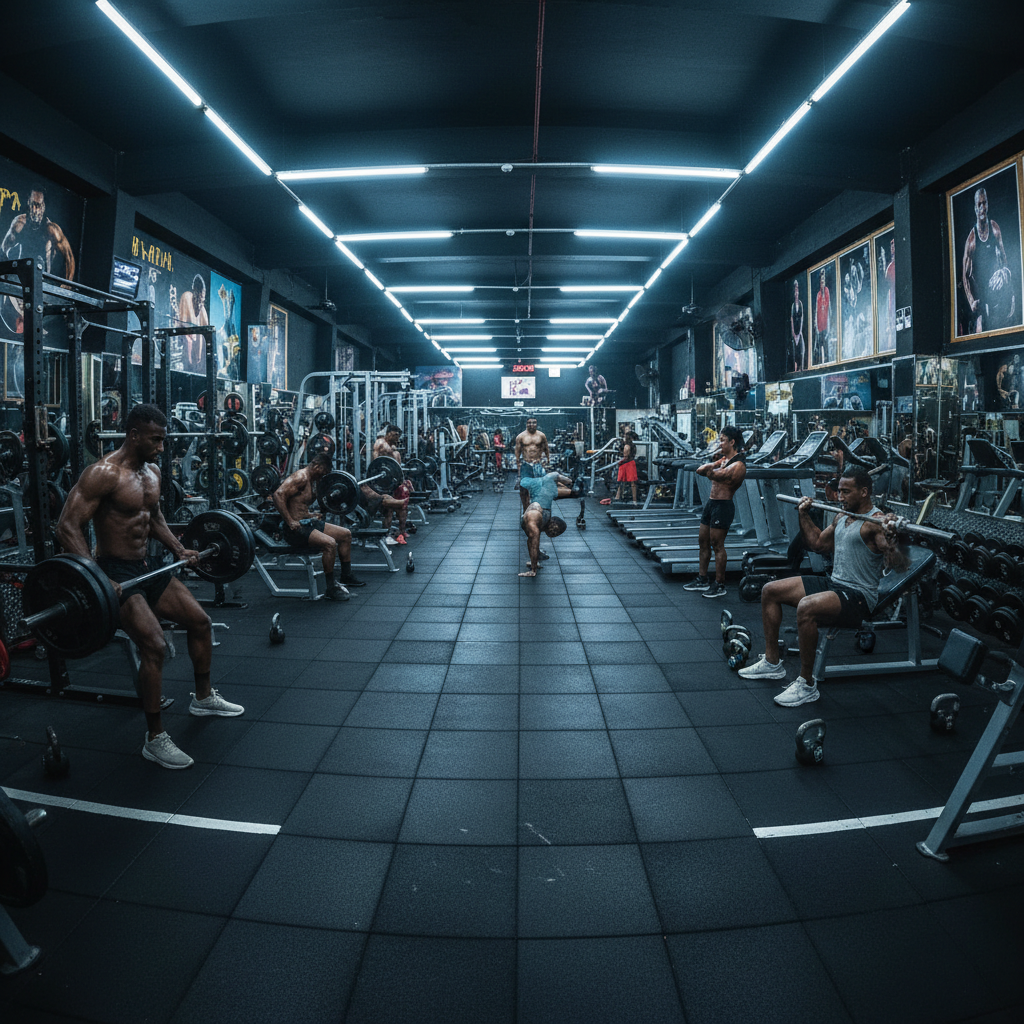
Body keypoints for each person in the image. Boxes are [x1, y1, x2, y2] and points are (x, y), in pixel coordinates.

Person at [55, 403, 243, 770]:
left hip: (148, 566)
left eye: (163, 439)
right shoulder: (102, 473)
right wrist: (96, 577)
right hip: (115, 572)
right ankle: (155, 738)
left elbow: (154, 517)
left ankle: (202, 698)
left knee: (200, 622)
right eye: (156, 439)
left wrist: (179, 548)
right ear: (134, 434)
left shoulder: (153, 472)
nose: (161, 447)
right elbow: (66, 527)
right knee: (154, 645)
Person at [738, 467, 908, 706]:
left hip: (858, 597)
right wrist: (803, 514)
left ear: (864, 492)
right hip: (834, 583)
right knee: (770, 591)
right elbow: (817, 543)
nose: (840, 497)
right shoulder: (842, 516)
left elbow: (899, 564)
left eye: (846, 492)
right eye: (839, 491)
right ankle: (772, 662)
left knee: (806, 607)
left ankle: (807, 684)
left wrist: (892, 539)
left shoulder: (875, 523)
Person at [272, 451, 365, 599]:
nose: (324, 475)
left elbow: (299, 505)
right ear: (316, 466)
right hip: (295, 530)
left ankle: (346, 576)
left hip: (307, 523)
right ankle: (330, 588)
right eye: (324, 471)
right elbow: (278, 495)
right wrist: (290, 521)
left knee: (346, 534)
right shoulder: (300, 477)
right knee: (330, 544)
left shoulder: (313, 480)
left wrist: (311, 515)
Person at [683, 425, 747, 599]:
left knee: (717, 545)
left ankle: (719, 584)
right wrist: (713, 465)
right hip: (711, 504)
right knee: (703, 541)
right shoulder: (724, 460)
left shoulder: (739, 464)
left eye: (723, 440)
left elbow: (716, 475)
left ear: (732, 442)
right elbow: (700, 470)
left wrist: (712, 469)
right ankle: (702, 578)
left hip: (723, 506)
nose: (720, 443)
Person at [962, 186, 1016, 334]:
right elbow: (965, 276)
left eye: (984, 203)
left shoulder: (995, 229)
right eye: (979, 204)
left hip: (997, 294)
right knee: (982, 331)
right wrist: (971, 301)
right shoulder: (972, 241)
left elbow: (1005, 261)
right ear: (975, 208)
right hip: (982, 300)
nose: (982, 208)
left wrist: (1004, 274)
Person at [1, 186, 76, 280]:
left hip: (42, 283)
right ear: (28, 202)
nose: (35, 209)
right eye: (32, 204)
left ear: (43, 206)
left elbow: (69, 257)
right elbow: (3, 249)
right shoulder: (19, 223)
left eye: (38, 205)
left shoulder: (52, 230)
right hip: (21, 279)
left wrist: (67, 286)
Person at [518, 465, 576, 577]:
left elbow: (532, 542)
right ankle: (534, 561)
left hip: (536, 503)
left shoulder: (540, 517)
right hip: (534, 507)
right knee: (533, 537)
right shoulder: (535, 518)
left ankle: (535, 560)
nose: (553, 535)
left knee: (532, 537)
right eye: (554, 533)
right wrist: (533, 570)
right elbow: (533, 543)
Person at [372, 424, 409, 545]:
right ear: (388, 433)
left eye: (398, 436)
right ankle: (385, 535)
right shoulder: (380, 443)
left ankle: (401, 531)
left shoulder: (392, 445)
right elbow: (375, 460)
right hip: (384, 481)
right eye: (394, 435)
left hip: (394, 480)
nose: (397, 438)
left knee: (402, 506)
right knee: (388, 509)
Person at [515, 417, 550, 511]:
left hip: (537, 464)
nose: (531, 424)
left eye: (534, 422)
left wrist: (547, 460)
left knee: (540, 489)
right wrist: (518, 466)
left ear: (537, 424)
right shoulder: (521, 436)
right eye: (529, 423)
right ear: (526, 424)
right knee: (523, 488)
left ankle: (539, 509)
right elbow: (517, 452)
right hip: (526, 465)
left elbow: (546, 448)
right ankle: (525, 509)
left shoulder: (541, 435)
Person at [177, 275, 208, 373]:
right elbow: (183, 326)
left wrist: (198, 356)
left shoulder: (202, 309)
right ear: (196, 291)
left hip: (194, 355)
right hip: (182, 344)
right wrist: (190, 356)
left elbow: (204, 333)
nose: (202, 300)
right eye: (201, 296)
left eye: (203, 297)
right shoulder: (187, 296)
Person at [612, 427, 639, 504]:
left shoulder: (627, 446)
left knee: (622, 482)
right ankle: (634, 500)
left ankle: (619, 497)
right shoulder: (633, 446)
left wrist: (620, 462)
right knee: (631, 483)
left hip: (626, 464)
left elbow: (625, 457)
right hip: (630, 463)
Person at [814, 268, 832, 364]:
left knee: (826, 346)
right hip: (820, 325)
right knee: (820, 345)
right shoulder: (818, 295)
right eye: (821, 282)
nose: (822, 284)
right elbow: (816, 310)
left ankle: (827, 362)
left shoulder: (827, 291)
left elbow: (829, 308)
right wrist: (816, 326)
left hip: (826, 324)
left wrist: (829, 326)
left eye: (823, 282)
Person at [789, 278, 805, 372]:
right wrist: (793, 333)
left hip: (799, 330)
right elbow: (791, 319)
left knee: (801, 349)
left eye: (797, 290)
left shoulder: (800, 304)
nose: (796, 293)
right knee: (794, 351)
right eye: (795, 291)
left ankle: (801, 367)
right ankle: (795, 368)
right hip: (794, 331)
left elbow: (802, 317)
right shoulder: (792, 306)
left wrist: (799, 332)